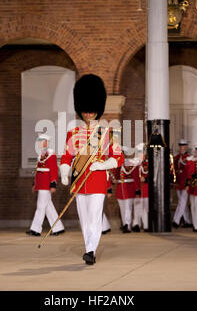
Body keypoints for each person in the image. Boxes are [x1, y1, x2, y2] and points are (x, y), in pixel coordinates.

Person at [60, 74, 124, 265]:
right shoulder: (73, 133)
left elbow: (118, 158)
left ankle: (90, 250)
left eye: (91, 110)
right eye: (85, 110)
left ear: (98, 109)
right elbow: (67, 156)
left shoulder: (108, 133)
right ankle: (89, 246)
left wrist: (102, 165)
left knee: (95, 217)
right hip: (80, 181)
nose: (87, 113)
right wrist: (64, 171)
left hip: (97, 180)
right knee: (84, 219)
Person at [26, 134, 65, 237]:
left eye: (41, 141)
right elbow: (38, 171)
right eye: (39, 141)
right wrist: (35, 183)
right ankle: (58, 228)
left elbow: (53, 170)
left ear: (46, 142)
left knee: (41, 206)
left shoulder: (50, 154)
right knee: (48, 207)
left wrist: (53, 184)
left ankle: (35, 229)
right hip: (41, 184)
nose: (39, 143)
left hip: (46, 184)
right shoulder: (41, 154)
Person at [112, 149, 141, 233]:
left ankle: (127, 225)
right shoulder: (117, 165)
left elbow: (135, 177)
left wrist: (137, 190)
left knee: (128, 207)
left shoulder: (130, 164)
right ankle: (125, 224)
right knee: (122, 208)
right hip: (120, 189)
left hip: (129, 188)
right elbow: (115, 176)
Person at [172, 139, 192, 228]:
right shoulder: (176, 157)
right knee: (182, 202)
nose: (181, 148)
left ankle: (175, 221)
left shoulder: (189, 157)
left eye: (183, 146)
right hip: (178, 182)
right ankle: (188, 221)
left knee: (182, 202)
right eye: (180, 146)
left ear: (186, 147)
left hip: (185, 182)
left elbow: (189, 171)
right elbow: (173, 170)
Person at [132, 143, 149, 232]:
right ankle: (136, 224)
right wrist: (136, 189)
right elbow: (134, 177)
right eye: (138, 153)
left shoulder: (147, 163)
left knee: (144, 208)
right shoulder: (135, 164)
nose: (140, 155)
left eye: (141, 152)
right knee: (137, 207)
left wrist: (145, 179)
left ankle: (146, 225)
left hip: (145, 189)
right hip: (137, 188)